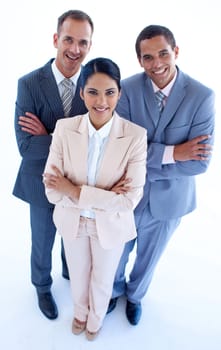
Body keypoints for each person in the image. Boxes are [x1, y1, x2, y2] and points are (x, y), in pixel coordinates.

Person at [107, 24, 215, 326]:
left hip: (170, 202)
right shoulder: (126, 90)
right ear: (140, 61)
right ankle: (113, 291)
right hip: (127, 194)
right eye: (148, 57)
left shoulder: (202, 96)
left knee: (148, 258)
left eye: (163, 54)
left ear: (176, 52)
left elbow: (199, 164)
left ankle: (136, 296)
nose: (157, 64)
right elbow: (120, 151)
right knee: (116, 252)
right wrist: (174, 152)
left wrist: (148, 156)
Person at [43, 57, 147, 340]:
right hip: (73, 222)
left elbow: (128, 201)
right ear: (81, 93)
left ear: (119, 93)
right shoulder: (65, 129)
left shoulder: (136, 136)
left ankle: (95, 320)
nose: (101, 101)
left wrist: (73, 190)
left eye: (109, 92)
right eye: (93, 92)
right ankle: (79, 313)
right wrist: (106, 195)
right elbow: (52, 189)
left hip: (109, 225)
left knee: (102, 280)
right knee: (77, 277)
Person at [13, 9, 94, 320]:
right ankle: (42, 285)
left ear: (90, 45)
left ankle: (70, 272)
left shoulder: (94, 83)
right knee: (42, 237)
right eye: (69, 39)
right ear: (56, 39)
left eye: (83, 42)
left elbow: (97, 144)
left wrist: (48, 135)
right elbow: (26, 147)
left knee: (73, 235)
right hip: (40, 180)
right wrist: (72, 141)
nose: (75, 49)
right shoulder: (29, 83)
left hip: (79, 182)